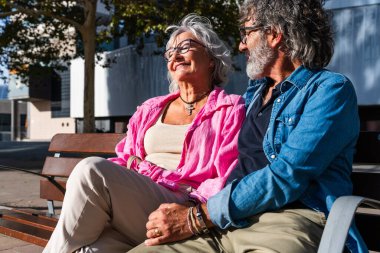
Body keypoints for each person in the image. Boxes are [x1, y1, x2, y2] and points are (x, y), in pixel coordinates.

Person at [129, 0, 367, 253]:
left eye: (246, 33)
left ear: (274, 34)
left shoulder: (329, 90)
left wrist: (198, 217)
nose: (242, 45)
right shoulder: (252, 96)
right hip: (227, 222)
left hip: (287, 221)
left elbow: (286, 176)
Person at [43, 14, 245, 253]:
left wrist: (192, 210)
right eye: (170, 52)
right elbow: (125, 157)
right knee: (91, 250)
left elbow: (228, 174)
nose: (176, 55)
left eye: (186, 47)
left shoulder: (231, 109)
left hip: (182, 207)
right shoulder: (150, 109)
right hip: (135, 206)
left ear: (211, 58)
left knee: (90, 171)